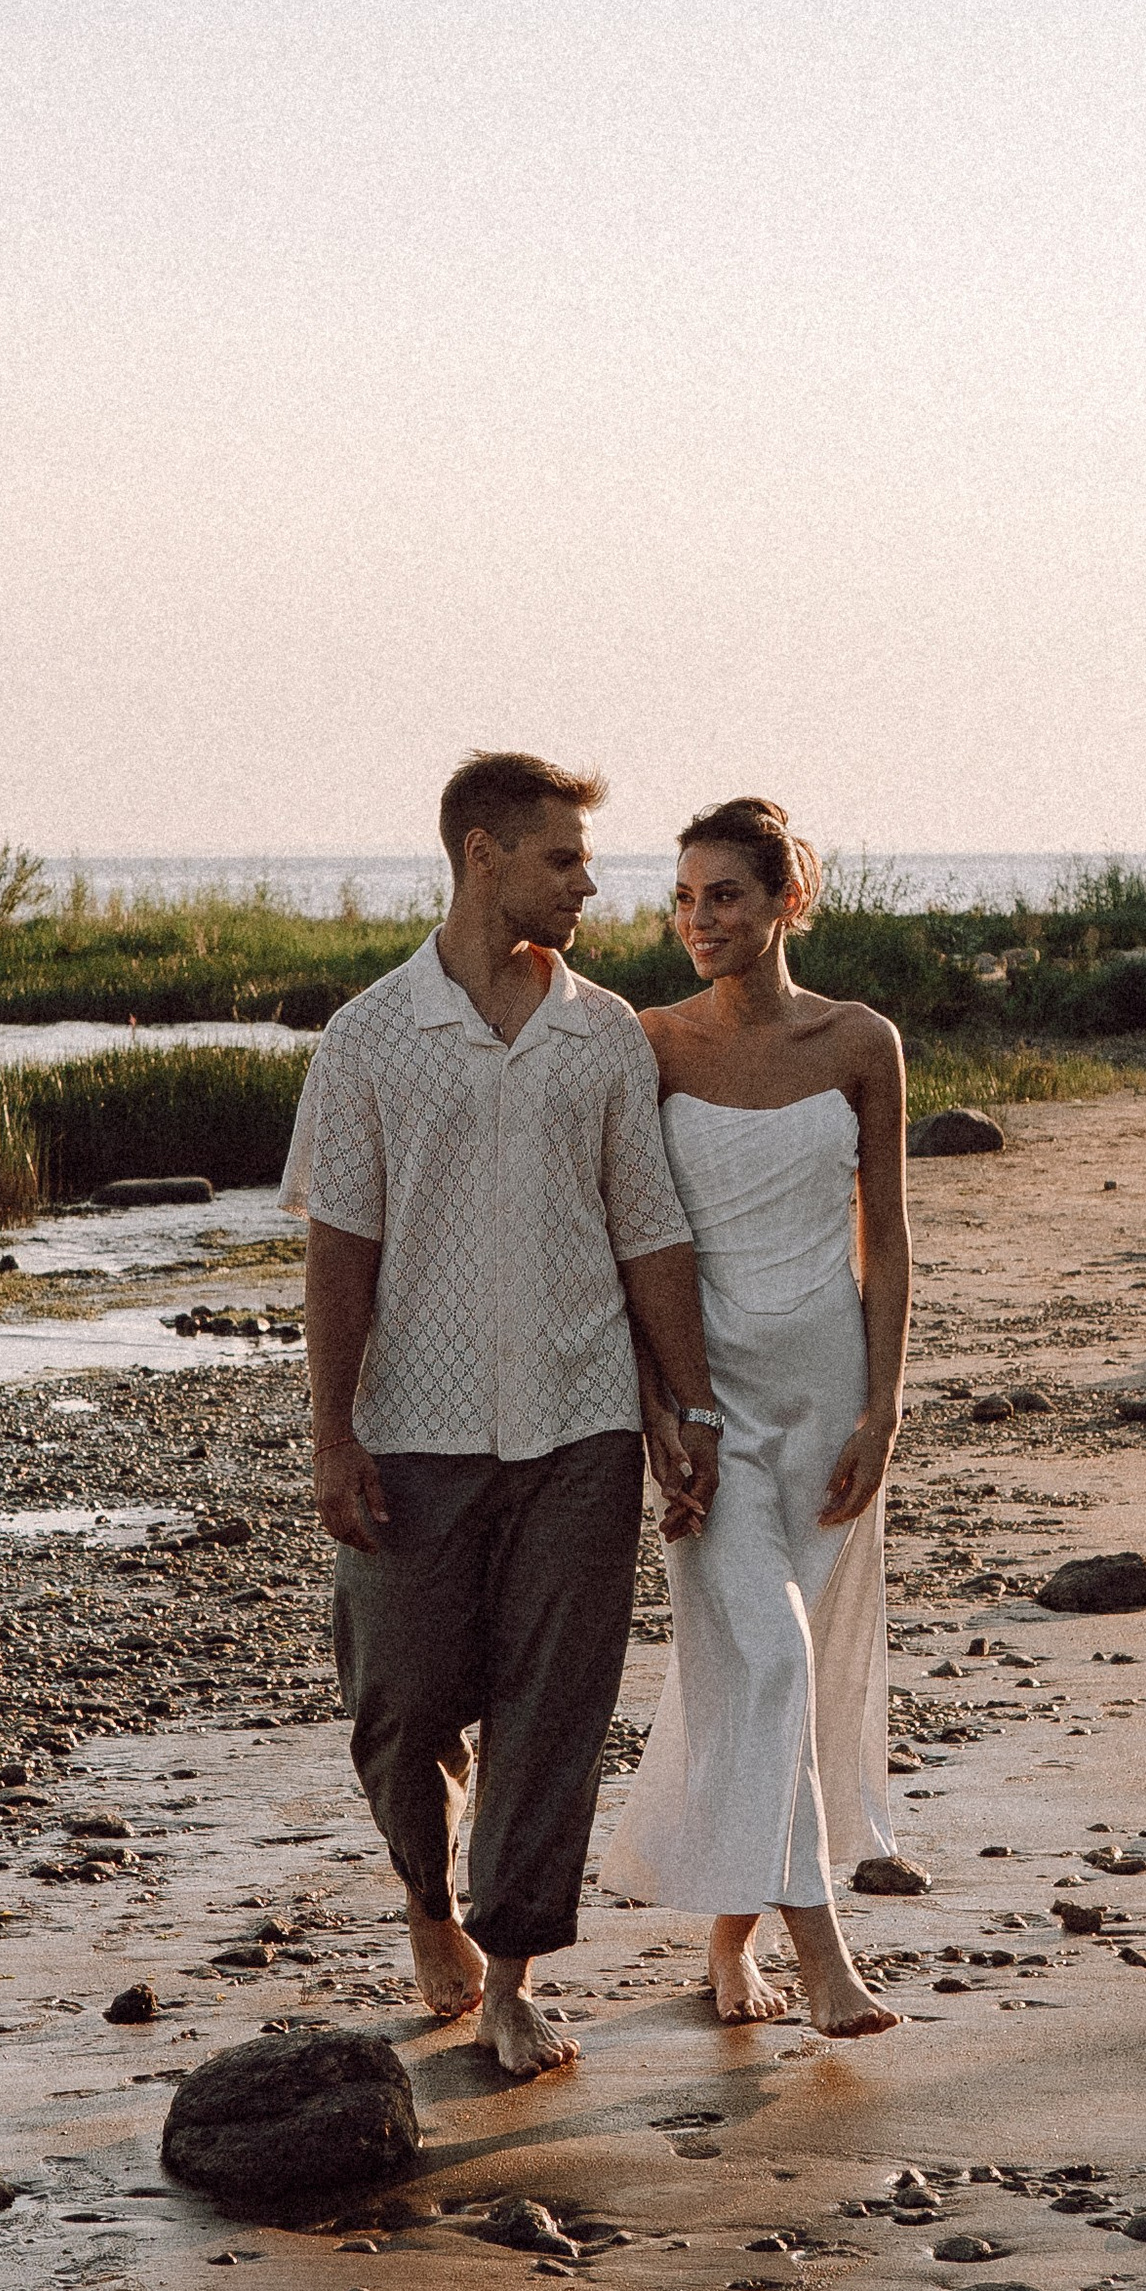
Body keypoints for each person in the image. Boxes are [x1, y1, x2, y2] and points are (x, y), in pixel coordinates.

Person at [283, 752, 725, 2079]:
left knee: (553, 1712)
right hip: (413, 1431)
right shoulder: (370, 1037)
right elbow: (339, 1252)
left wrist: (685, 1404)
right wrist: (332, 1434)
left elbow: (648, 1231)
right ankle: (429, 1897)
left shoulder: (604, 1034)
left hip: (581, 1427)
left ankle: (513, 1976)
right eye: (563, 859)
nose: (590, 884)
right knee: (400, 1704)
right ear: (484, 855)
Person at [603, 796, 910, 2035]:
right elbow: (626, 1246)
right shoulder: (650, 1044)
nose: (697, 920)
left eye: (722, 895)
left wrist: (882, 1410)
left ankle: (729, 1939)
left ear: (787, 900)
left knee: (781, 1677)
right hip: (709, 1407)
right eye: (682, 898)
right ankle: (824, 1957)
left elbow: (886, 1240)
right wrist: (656, 1412)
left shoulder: (861, 1041)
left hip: (827, 1395)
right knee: (767, 1658)